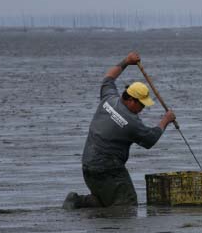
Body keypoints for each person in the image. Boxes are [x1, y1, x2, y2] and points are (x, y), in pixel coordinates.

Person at [63, 52, 176, 209]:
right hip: (108, 171)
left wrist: (126, 61)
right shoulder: (131, 122)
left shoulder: (109, 98)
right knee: (127, 205)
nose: (142, 108)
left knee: (107, 203)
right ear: (130, 99)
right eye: (141, 104)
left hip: (87, 166)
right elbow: (150, 139)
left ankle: (79, 203)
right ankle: (79, 203)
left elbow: (109, 78)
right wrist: (166, 120)